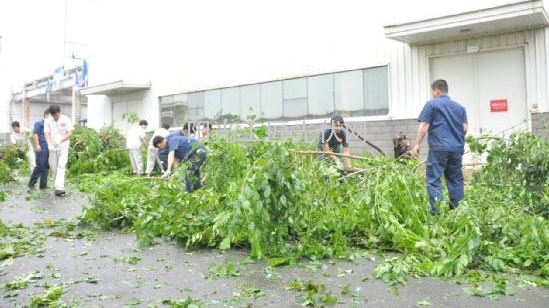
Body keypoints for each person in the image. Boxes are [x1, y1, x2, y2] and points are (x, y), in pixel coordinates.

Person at [410, 79, 468, 215]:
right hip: (456, 149)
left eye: (433, 92)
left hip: (439, 148)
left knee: (434, 179)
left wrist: (417, 144)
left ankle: (437, 214)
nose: (432, 95)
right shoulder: (460, 107)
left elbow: (424, 126)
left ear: (437, 90)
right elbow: (465, 129)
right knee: (455, 180)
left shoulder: (432, 105)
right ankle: (457, 213)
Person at [44, 105, 74, 196]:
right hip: (52, 148)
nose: (55, 117)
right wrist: (49, 144)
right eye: (53, 116)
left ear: (59, 112)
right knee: (54, 167)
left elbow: (70, 133)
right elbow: (47, 133)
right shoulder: (48, 120)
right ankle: (56, 186)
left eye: (56, 115)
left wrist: (61, 140)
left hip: (63, 147)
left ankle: (60, 187)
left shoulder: (66, 119)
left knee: (61, 165)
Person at [28, 109, 51, 192]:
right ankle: (31, 184)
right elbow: (35, 134)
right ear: (45, 115)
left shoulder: (50, 125)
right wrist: (37, 145)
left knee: (46, 166)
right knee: (40, 165)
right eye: (50, 115)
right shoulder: (39, 124)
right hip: (41, 147)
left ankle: (43, 185)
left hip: (49, 148)